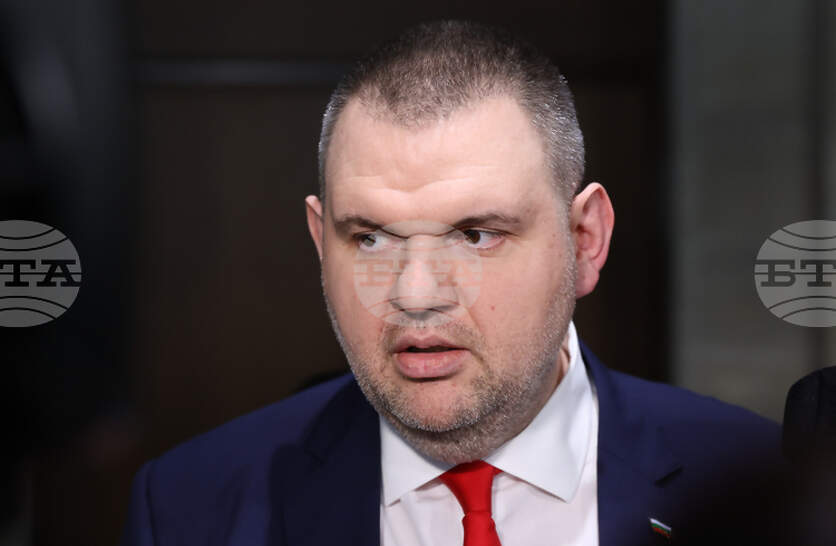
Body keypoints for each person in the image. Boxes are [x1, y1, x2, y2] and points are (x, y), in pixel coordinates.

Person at [120, 20, 781, 546]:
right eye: (370, 237)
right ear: (321, 243)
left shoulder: (767, 481)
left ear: (585, 239)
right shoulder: (189, 506)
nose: (415, 294)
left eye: (476, 235)